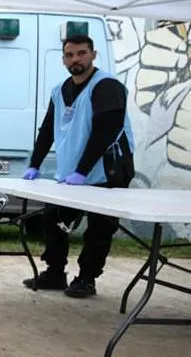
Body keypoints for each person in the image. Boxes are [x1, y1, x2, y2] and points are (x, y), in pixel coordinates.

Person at [22, 34, 135, 298]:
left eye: (82, 53)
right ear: (63, 59)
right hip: (73, 173)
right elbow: (48, 128)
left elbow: (106, 132)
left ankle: (87, 278)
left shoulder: (107, 86)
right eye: (70, 55)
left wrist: (82, 171)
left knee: (100, 226)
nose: (76, 59)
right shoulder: (60, 90)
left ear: (93, 55)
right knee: (53, 218)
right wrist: (35, 164)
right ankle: (55, 272)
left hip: (108, 171)